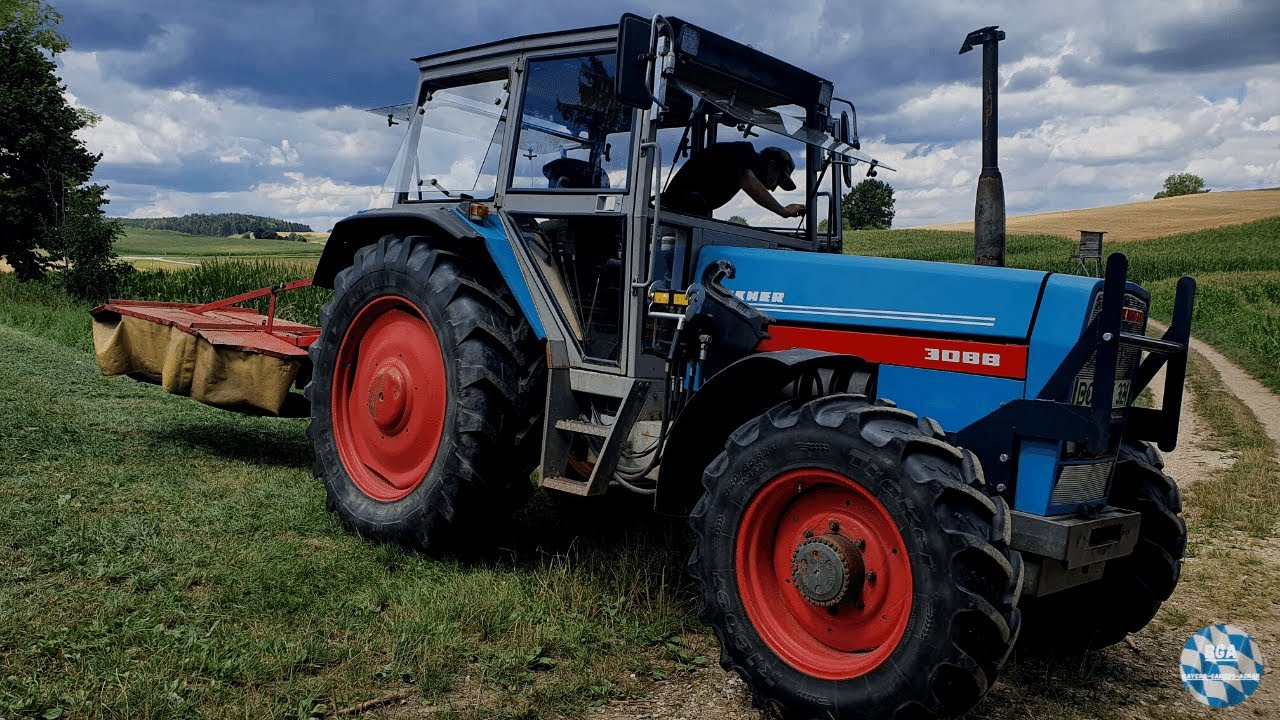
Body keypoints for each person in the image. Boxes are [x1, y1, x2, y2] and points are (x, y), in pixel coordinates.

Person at [661, 142, 806, 219]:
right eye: (777, 180)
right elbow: (748, 181)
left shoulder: (740, 158)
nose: (774, 188)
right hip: (675, 215)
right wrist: (784, 211)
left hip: (678, 215)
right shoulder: (744, 151)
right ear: (772, 166)